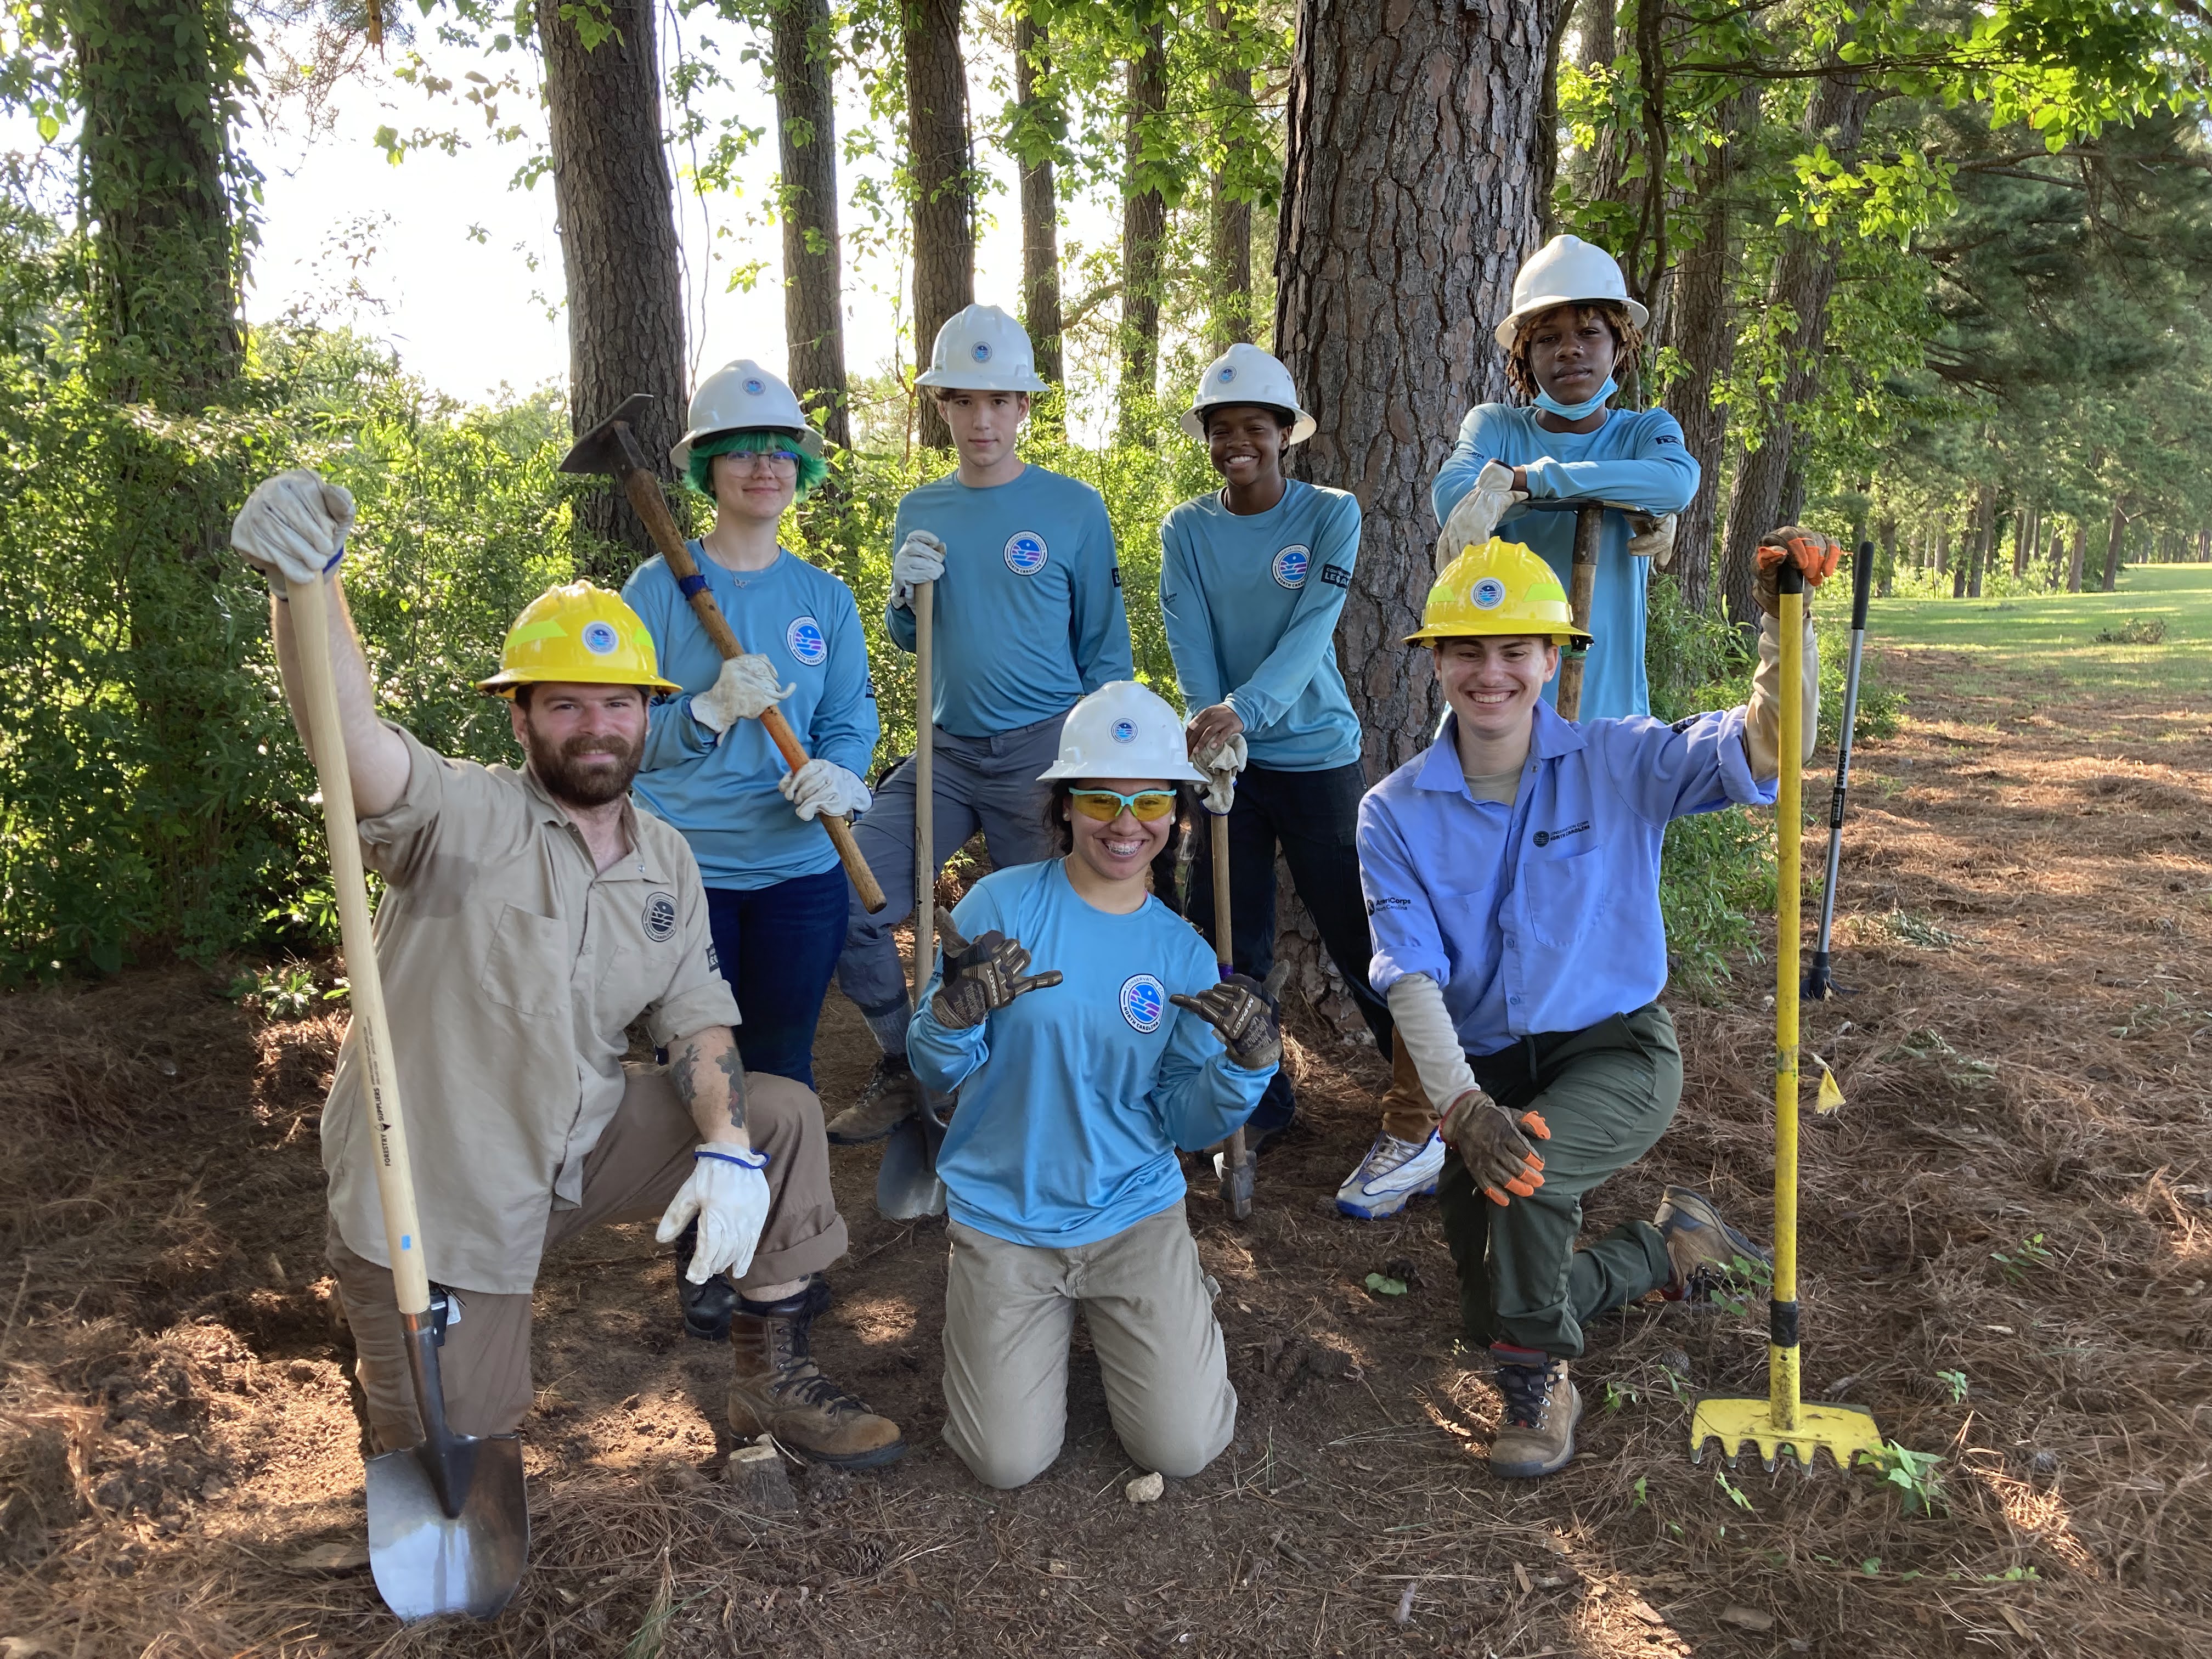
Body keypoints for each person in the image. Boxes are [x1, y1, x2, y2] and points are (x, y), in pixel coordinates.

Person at [229, 472, 905, 1471]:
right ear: (520, 718)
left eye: (619, 703)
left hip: (581, 1138)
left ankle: (770, 1373)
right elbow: (351, 742)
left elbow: (698, 1021)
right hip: (441, 1192)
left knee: (779, 1114)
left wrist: (723, 1148)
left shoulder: (668, 854)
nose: (596, 725)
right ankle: (392, 1358)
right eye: (565, 704)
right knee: (455, 1452)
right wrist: (309, 586)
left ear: (648, 714)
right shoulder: (460, 816)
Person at [1356, 527, 1835, 1480]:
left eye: (1514, 650)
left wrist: (1789, 629)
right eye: (1466, 650)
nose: (1489, 673)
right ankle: (1665, 1247)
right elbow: (1408, 975)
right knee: (1484, 1304)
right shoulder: (1392, 809)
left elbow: (1771, 741)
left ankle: (1537, 1379)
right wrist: (1459, 1104)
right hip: (1486, 1066)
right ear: (1436, 662)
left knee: (1523, 1173)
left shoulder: (1622, 760)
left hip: (1617, 1049)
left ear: (1552, 658)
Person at [905, 682, 1280, 1489]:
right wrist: (952, 1015)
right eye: (1101, 798)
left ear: (1177, 813)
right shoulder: (999, 909)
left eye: (1149, 800)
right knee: (1003, 1463)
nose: (1125, 822)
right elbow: (937, 1071)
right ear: (1065, 806)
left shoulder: (1181, 954)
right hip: (1006, 1214)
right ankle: (1028, 1314)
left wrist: (1247, 1069)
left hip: (1132, 1214)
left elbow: (1182, 1118)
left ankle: (1170, 1287)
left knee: (1182, 1450)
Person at [830, 304, 1134, 1152]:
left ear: (1025, 408)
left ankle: (1039, 1090)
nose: (983, 420)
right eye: (965, 401)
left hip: (1043, 752)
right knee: (850, 895)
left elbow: (1106, 648)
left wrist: (1109, 761)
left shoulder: (1073, 508)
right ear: (943, 408)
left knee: (1040, 936)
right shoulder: (921, 509)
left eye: (1000, 401)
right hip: (945, 752)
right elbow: (906, 637)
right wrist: (901, 593)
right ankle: (911, 1066)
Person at [621, 362, 878, 1339]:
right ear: (710, 468)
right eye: (742, 450)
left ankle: (782, 1245)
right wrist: (701, 712)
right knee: (698, 1064)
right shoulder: (656, 588)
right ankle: (704, 1253)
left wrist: (842, 775)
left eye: (780, 450)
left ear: (800, 470)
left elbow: (850, 715)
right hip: (684, 877)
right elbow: (621, 739)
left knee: (783, 1059)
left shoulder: (826, 598)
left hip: (800, 875)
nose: (764, 465)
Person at [1155, 343, 1434, 1218]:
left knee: (1360, 937)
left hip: (1314, 757)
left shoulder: (1330, 515)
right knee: (1230, 944)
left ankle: (1423, 1109)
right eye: (1221, 429)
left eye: (1255, 428)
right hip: (1223, 763)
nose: (1238, 443)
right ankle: (1254, 1100)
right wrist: (1211, 721)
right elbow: (1187, 630)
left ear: (1286, 436)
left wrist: (1249, 711)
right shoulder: (1186, 530)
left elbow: (1314, 627)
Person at [1431, 234, 1699, 723]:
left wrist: (1526, 482)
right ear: (1525, 356)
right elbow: (1453, 496)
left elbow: (1675, 483)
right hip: (1500, 712)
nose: (1569, 350)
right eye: (1548, 338)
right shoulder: (1496, 427)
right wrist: (1615, 492)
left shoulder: (1646, 432)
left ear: (1620, 344)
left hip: (1609, 712)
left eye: (1589, 333)